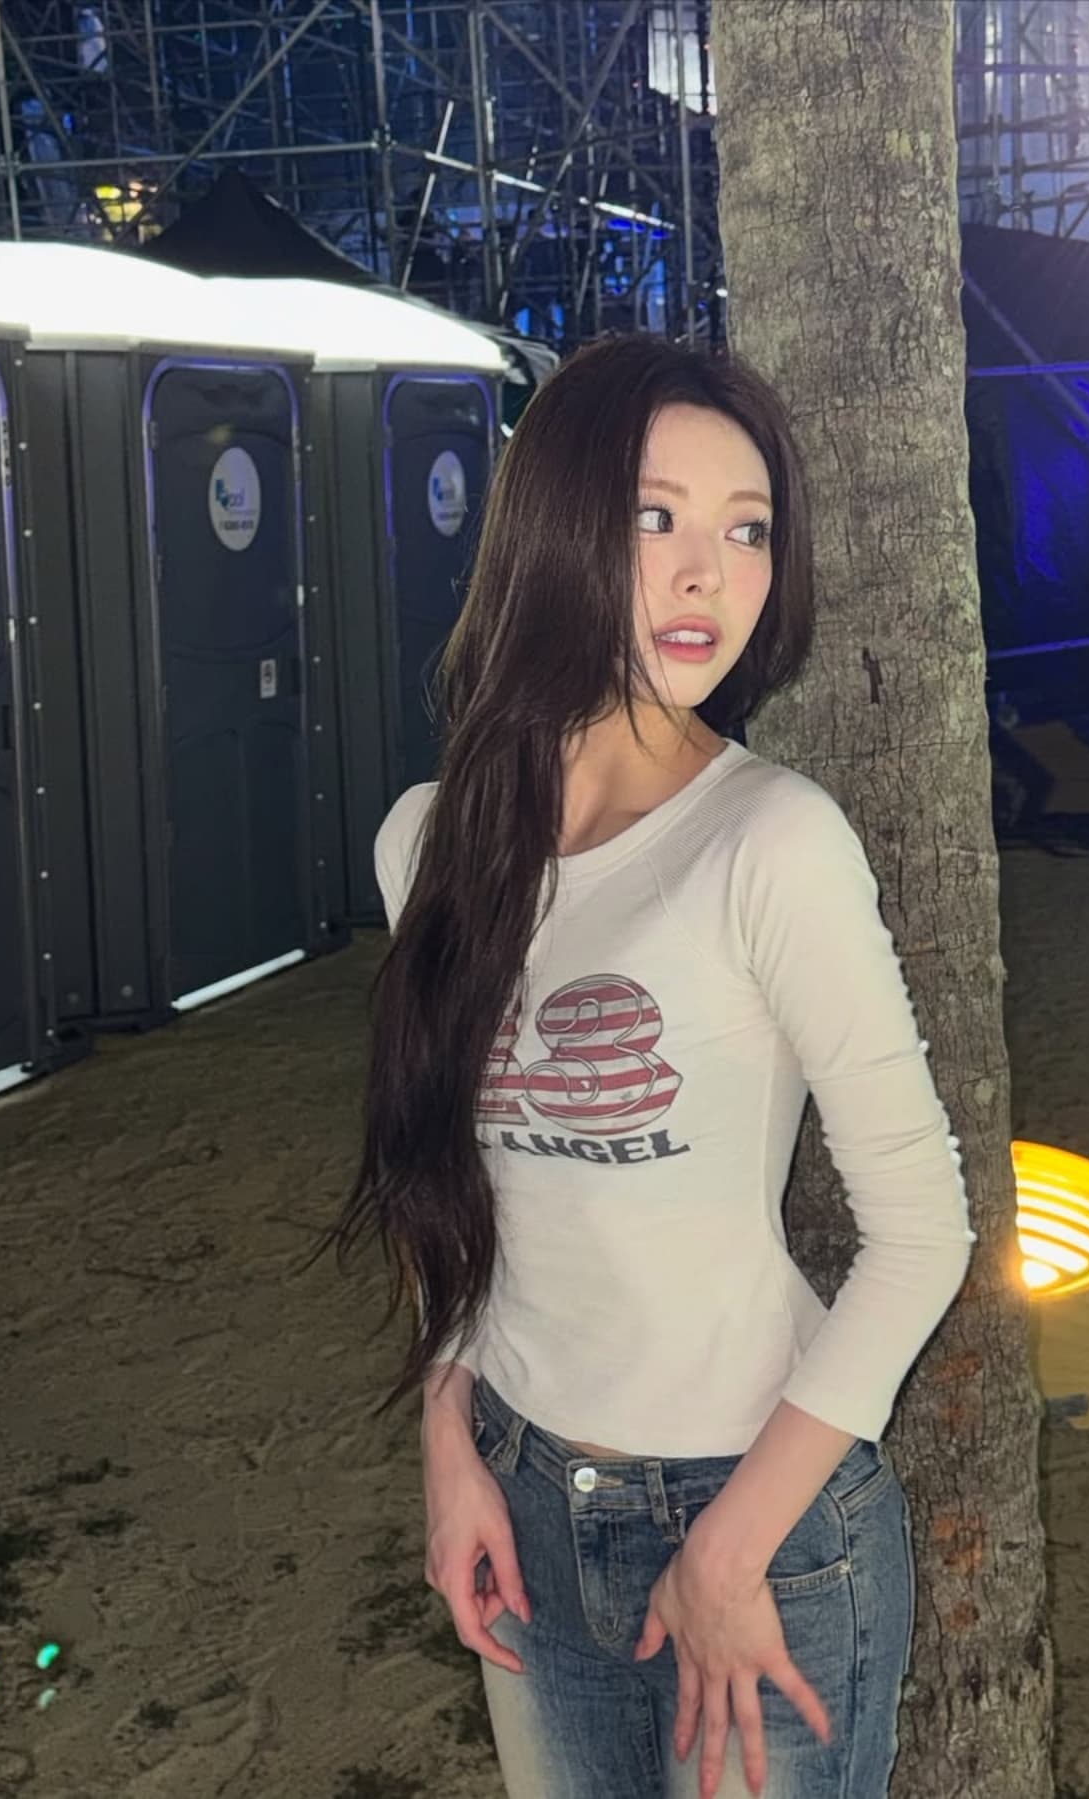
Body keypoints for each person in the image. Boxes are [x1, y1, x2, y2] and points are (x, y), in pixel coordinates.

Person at [321, 334, 975, 1798]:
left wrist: (732, 1548)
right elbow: (446, 1187)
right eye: (655, 516)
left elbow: (924, 1229)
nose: (707, 576)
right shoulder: (426, 844)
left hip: (759, 1521)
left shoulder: (772, 841)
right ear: (554, 527)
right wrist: (448, 1437)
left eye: (748, 530)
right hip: (521, 1498)